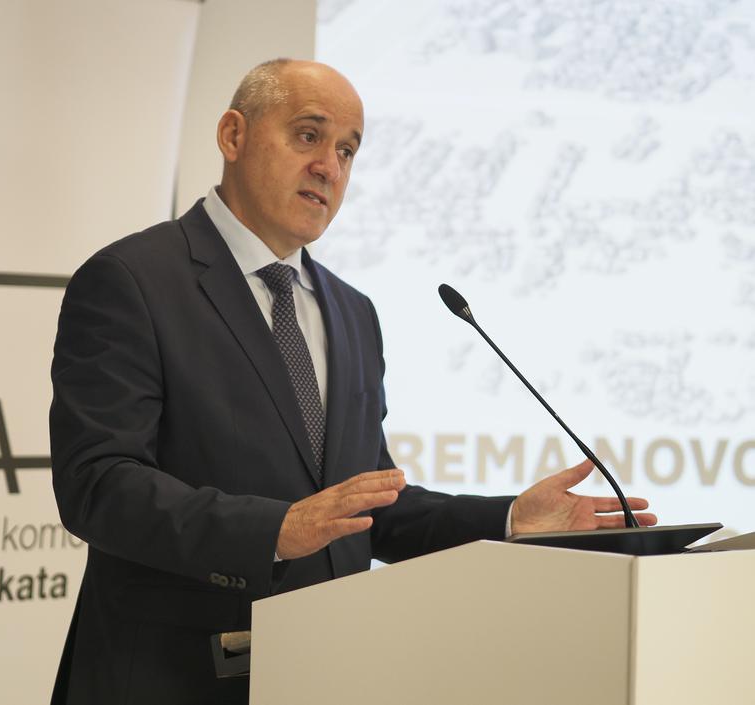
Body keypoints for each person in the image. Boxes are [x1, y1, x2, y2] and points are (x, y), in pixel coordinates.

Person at [49, 59, 655, 705]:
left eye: (346, 150)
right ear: (233, 135)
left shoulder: (352, 311)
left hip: (321, 673)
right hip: (167, 678)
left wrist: (507, 519)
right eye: (308, 136)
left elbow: (368, 508)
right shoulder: (133, 280)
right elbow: (99, 485)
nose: (329, 167)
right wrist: (274, 529)